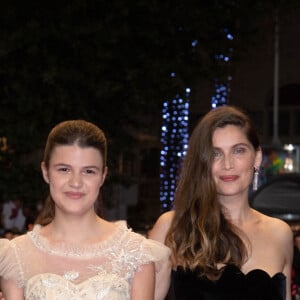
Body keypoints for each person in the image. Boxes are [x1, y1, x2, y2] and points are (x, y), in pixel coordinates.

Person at [0, 119, 170, 300]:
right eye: (64, 169)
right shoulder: (15, 256)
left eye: (88, 171)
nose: (76, 182)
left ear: (103, 176)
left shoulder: (136, 254)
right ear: (46, 172)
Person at [149, 105, 293, 300]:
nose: (227, 164)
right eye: (216, 153)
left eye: (238, 151)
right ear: (203, 162)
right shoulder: (172, 227)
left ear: (257, 158)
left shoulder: (280, 233)